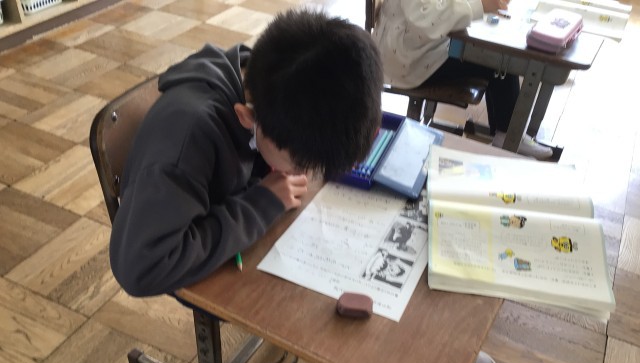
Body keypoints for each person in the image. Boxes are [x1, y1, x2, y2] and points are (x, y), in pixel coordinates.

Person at [109, 8, 384, 297]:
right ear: (246, 118)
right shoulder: (186, 139)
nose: (303, 175)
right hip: (184, 258)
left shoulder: (273, 79)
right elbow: (141, 267)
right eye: (299, 165)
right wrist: (262, 203)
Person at [372, 0, 554, 160]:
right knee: (501, 61)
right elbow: (425, 19)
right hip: (408, 60)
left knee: (499, 58)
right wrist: (479, 5)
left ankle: (504, 132)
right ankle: (507, 134)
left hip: (418, 48)